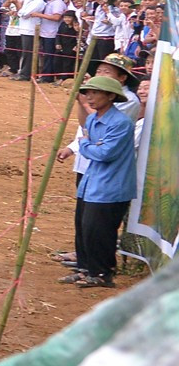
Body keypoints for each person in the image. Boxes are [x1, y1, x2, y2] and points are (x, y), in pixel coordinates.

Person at [57, 74, 138, 289]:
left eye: (95, 93)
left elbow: (104, 153)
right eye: (88, 93)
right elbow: (93, 146)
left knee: (100, 230)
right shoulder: (93, 120)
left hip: (111, 186)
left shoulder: (121, 123)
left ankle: (102, 273)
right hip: (92, 183)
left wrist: (84, 145)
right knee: (84, 227)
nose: (90, 98)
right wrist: (88, 145)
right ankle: (85, 268)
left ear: (111, 96)